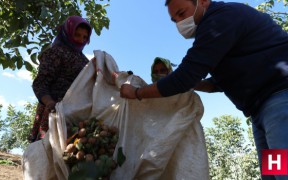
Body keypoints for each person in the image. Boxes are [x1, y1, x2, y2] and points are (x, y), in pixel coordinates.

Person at [120, 0, 288, 179]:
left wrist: (137, 93)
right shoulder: (218, 31)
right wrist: (194, 83)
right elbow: (218, 82)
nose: (179, 22)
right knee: (275, 174)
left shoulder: (219, 19)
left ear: (203, 2)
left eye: (182, 13)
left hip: (279, 102)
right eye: (174, 19)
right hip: (260, 113)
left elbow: (186, 76)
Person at [29, 15, 92, 143]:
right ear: (67, 33)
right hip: (55, 110)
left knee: (69, 153)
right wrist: (50, 104)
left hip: (75, 112)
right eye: (77, 35)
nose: (81, 40)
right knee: (47, 151)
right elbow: (40, 83)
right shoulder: (55, 53)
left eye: (85, 37)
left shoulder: (85, 61)